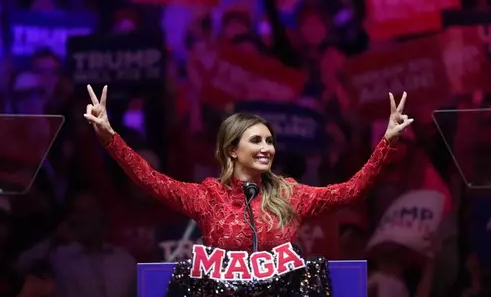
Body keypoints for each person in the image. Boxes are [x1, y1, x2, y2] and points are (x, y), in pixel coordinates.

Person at [83, 85, 413, 295]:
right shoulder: (207, 197)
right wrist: (109, 137)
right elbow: (149, 179)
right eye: (256, 140)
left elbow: (352, 191)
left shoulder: (290, 194)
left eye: (269, 141)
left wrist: (387, 142)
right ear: (231, 149)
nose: (267, 148)